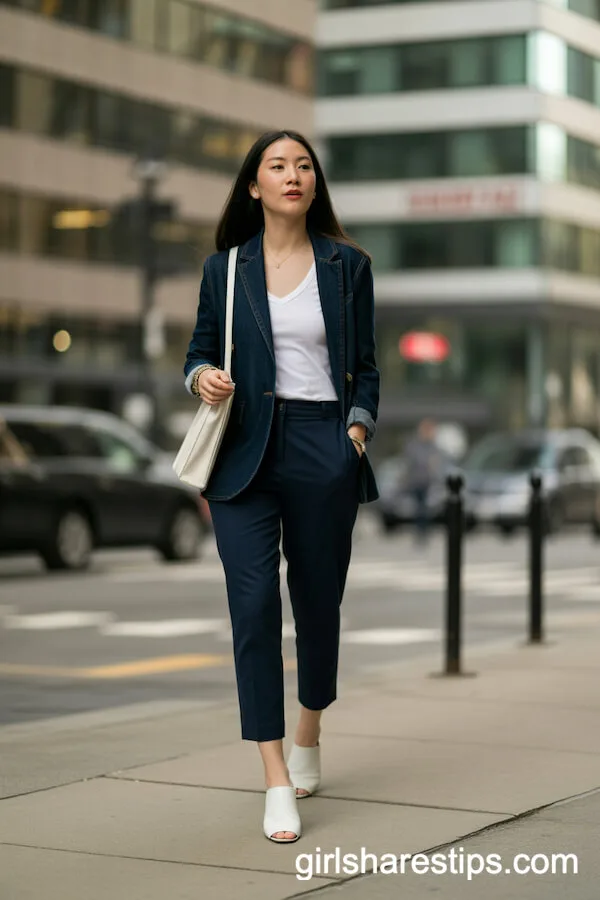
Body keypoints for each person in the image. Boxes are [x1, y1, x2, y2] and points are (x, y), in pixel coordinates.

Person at [183, 130, 380, 843]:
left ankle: (309, 731)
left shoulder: (347, 265)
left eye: (303, 165)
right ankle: (274, 776)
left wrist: (354, 435)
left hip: (323, 444)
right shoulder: (225, 268)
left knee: (319, 604)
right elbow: (198, 351)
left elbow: (367, 367)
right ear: (254, 186)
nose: (292, 174)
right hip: (243, 453)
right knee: (253, 608)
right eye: (277, 165)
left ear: (313, 184)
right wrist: (202, 378)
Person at [403, 418, 443, 544]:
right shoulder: (414, 446)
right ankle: (420, 532)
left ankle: (424, 532)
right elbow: (410, 463)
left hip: (428, 482)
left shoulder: (432, 446)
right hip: (416, 481)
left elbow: (436, 463)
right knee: (419, 508)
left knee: (425, 509)